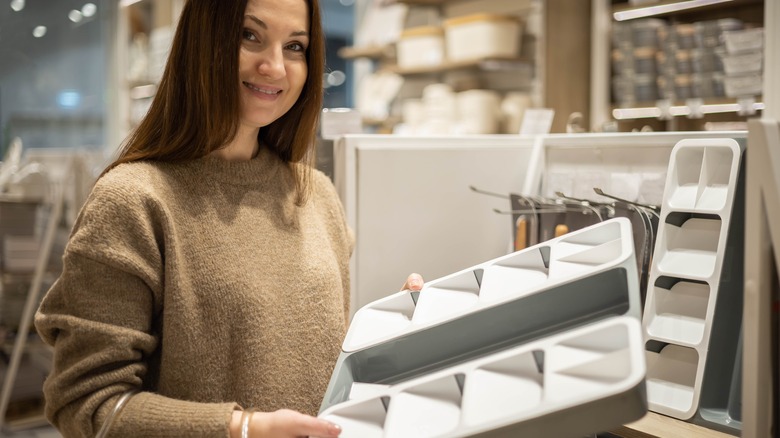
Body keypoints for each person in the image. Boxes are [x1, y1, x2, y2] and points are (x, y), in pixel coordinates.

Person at [33, 0, 424, 436]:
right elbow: (86, 404)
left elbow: (308, 355)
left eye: (295, 46)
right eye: (249, 36)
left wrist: (394, 333)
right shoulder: (132, 201)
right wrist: (243, 428)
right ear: (202, 42)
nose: (275, 66)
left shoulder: (316, 195)